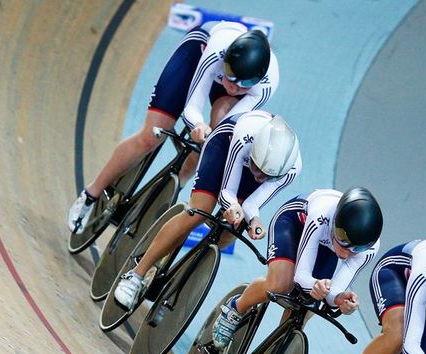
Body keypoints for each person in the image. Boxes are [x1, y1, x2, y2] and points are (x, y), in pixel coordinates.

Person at [68, 21, 280, 234]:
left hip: (228, 90)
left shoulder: (265, 85)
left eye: (242, 86)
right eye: (230, 79)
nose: (233, 88)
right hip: (195, 58)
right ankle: (90, 195)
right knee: (150, 136)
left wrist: (211, 136)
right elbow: (193, 107)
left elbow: (231, 127)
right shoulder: (217, 49)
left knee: (217, 137)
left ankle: (177, 182)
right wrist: (197, 124)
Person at [113, 110, 300, 310]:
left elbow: (252, 204)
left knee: (233, 228)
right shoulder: (245, 137)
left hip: (257, 164)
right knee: (199, 211)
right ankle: (136, 275)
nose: (260, 178)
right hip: (224, 147)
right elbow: (227, 191)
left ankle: (181, 279)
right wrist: (232, 205)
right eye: (257, 169)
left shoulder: (291, 169)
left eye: (267, 177)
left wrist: (255, 220)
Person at [211, 187, 384, 349]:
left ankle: (272, 353)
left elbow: (333, 294)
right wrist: (316, 287)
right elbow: (301, 276)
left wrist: (339, 299)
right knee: (280, 284)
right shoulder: (321, 214)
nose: (346, 255)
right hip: (293, 224)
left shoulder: (369, 247)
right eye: (344, 243)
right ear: (336, 226)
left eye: (356, 250)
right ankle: (236, 308)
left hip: (326, 246)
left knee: (308, 307)